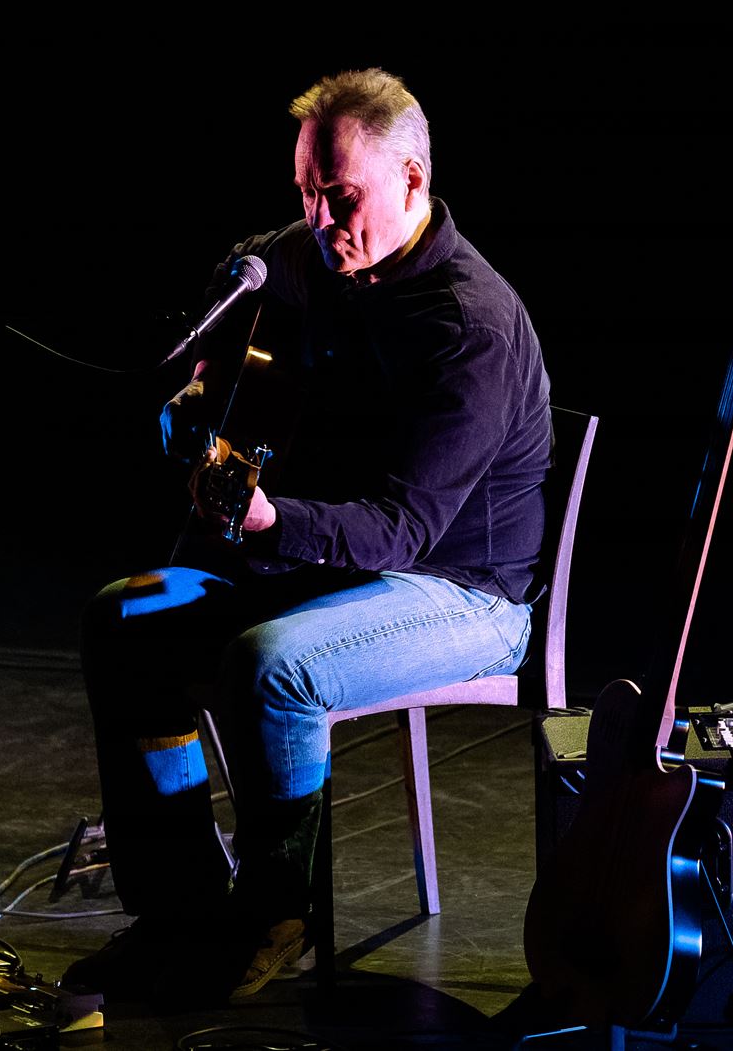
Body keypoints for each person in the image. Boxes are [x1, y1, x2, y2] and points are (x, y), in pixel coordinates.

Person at [63, 67, 552, 1008]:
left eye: (340, 197)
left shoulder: (471, 326)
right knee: (123, 622)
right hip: (349, 559)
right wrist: (206, 383)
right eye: (304, 193)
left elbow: (403, 528)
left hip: (463, 591)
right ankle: (177, 911)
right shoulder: (327, 250)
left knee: (274, 666)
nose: (319, 220)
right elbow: (248, 264)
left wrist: (271, 521)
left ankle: (274, 915)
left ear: (413, 180)